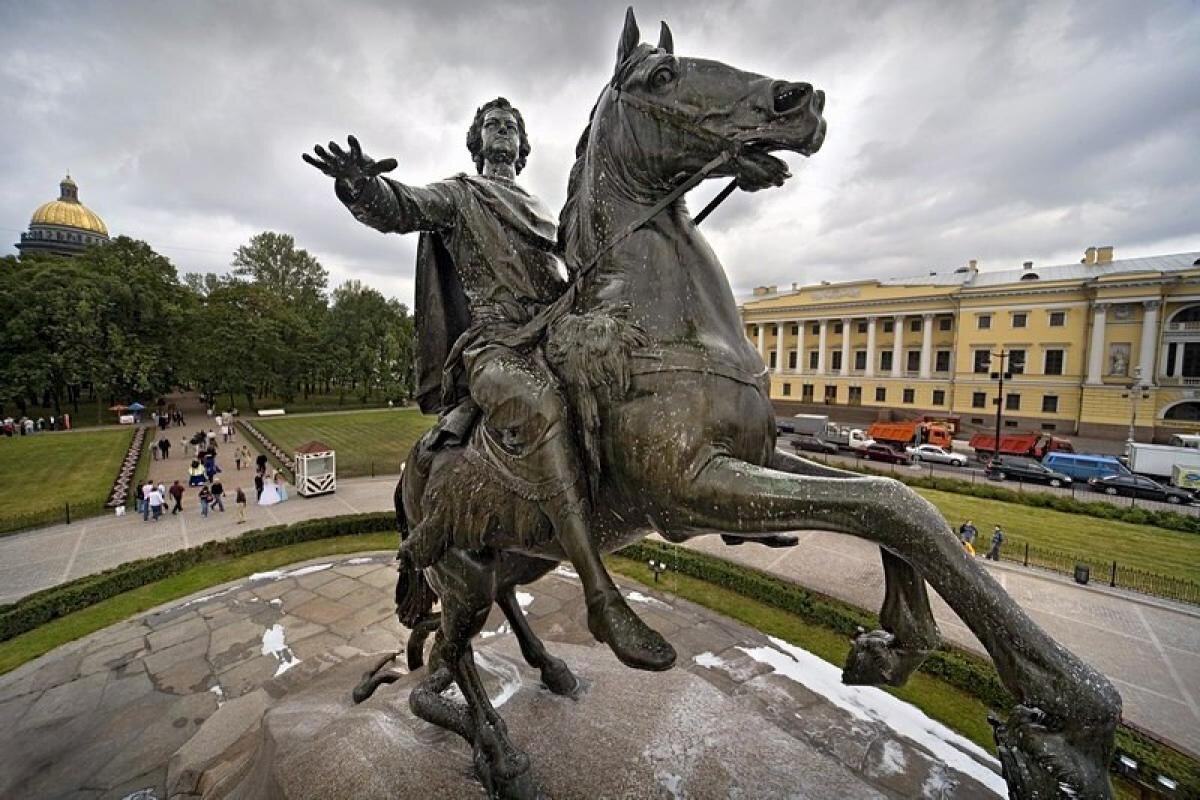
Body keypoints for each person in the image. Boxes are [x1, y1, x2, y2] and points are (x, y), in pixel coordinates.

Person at [304, 98, 672, 670]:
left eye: (512, 126)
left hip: (553, 334)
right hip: (497, 345)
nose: (502, 131)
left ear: (523, 147)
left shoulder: (545, 209)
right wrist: (359, 187)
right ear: (478, 143)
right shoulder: (460, 193)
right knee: (537, 404)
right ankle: (601, 595)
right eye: (492, 126)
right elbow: (401, 206)